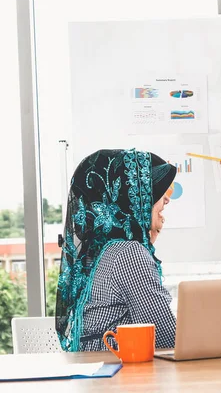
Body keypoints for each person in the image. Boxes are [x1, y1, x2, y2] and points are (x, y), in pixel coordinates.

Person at [55, 149, 178, 351]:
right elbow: (165, 337)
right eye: (151, 189)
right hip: (119, 376)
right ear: (130, 197)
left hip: (101, 376)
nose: (166, 200)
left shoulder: (97, 253)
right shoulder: (128, 253)